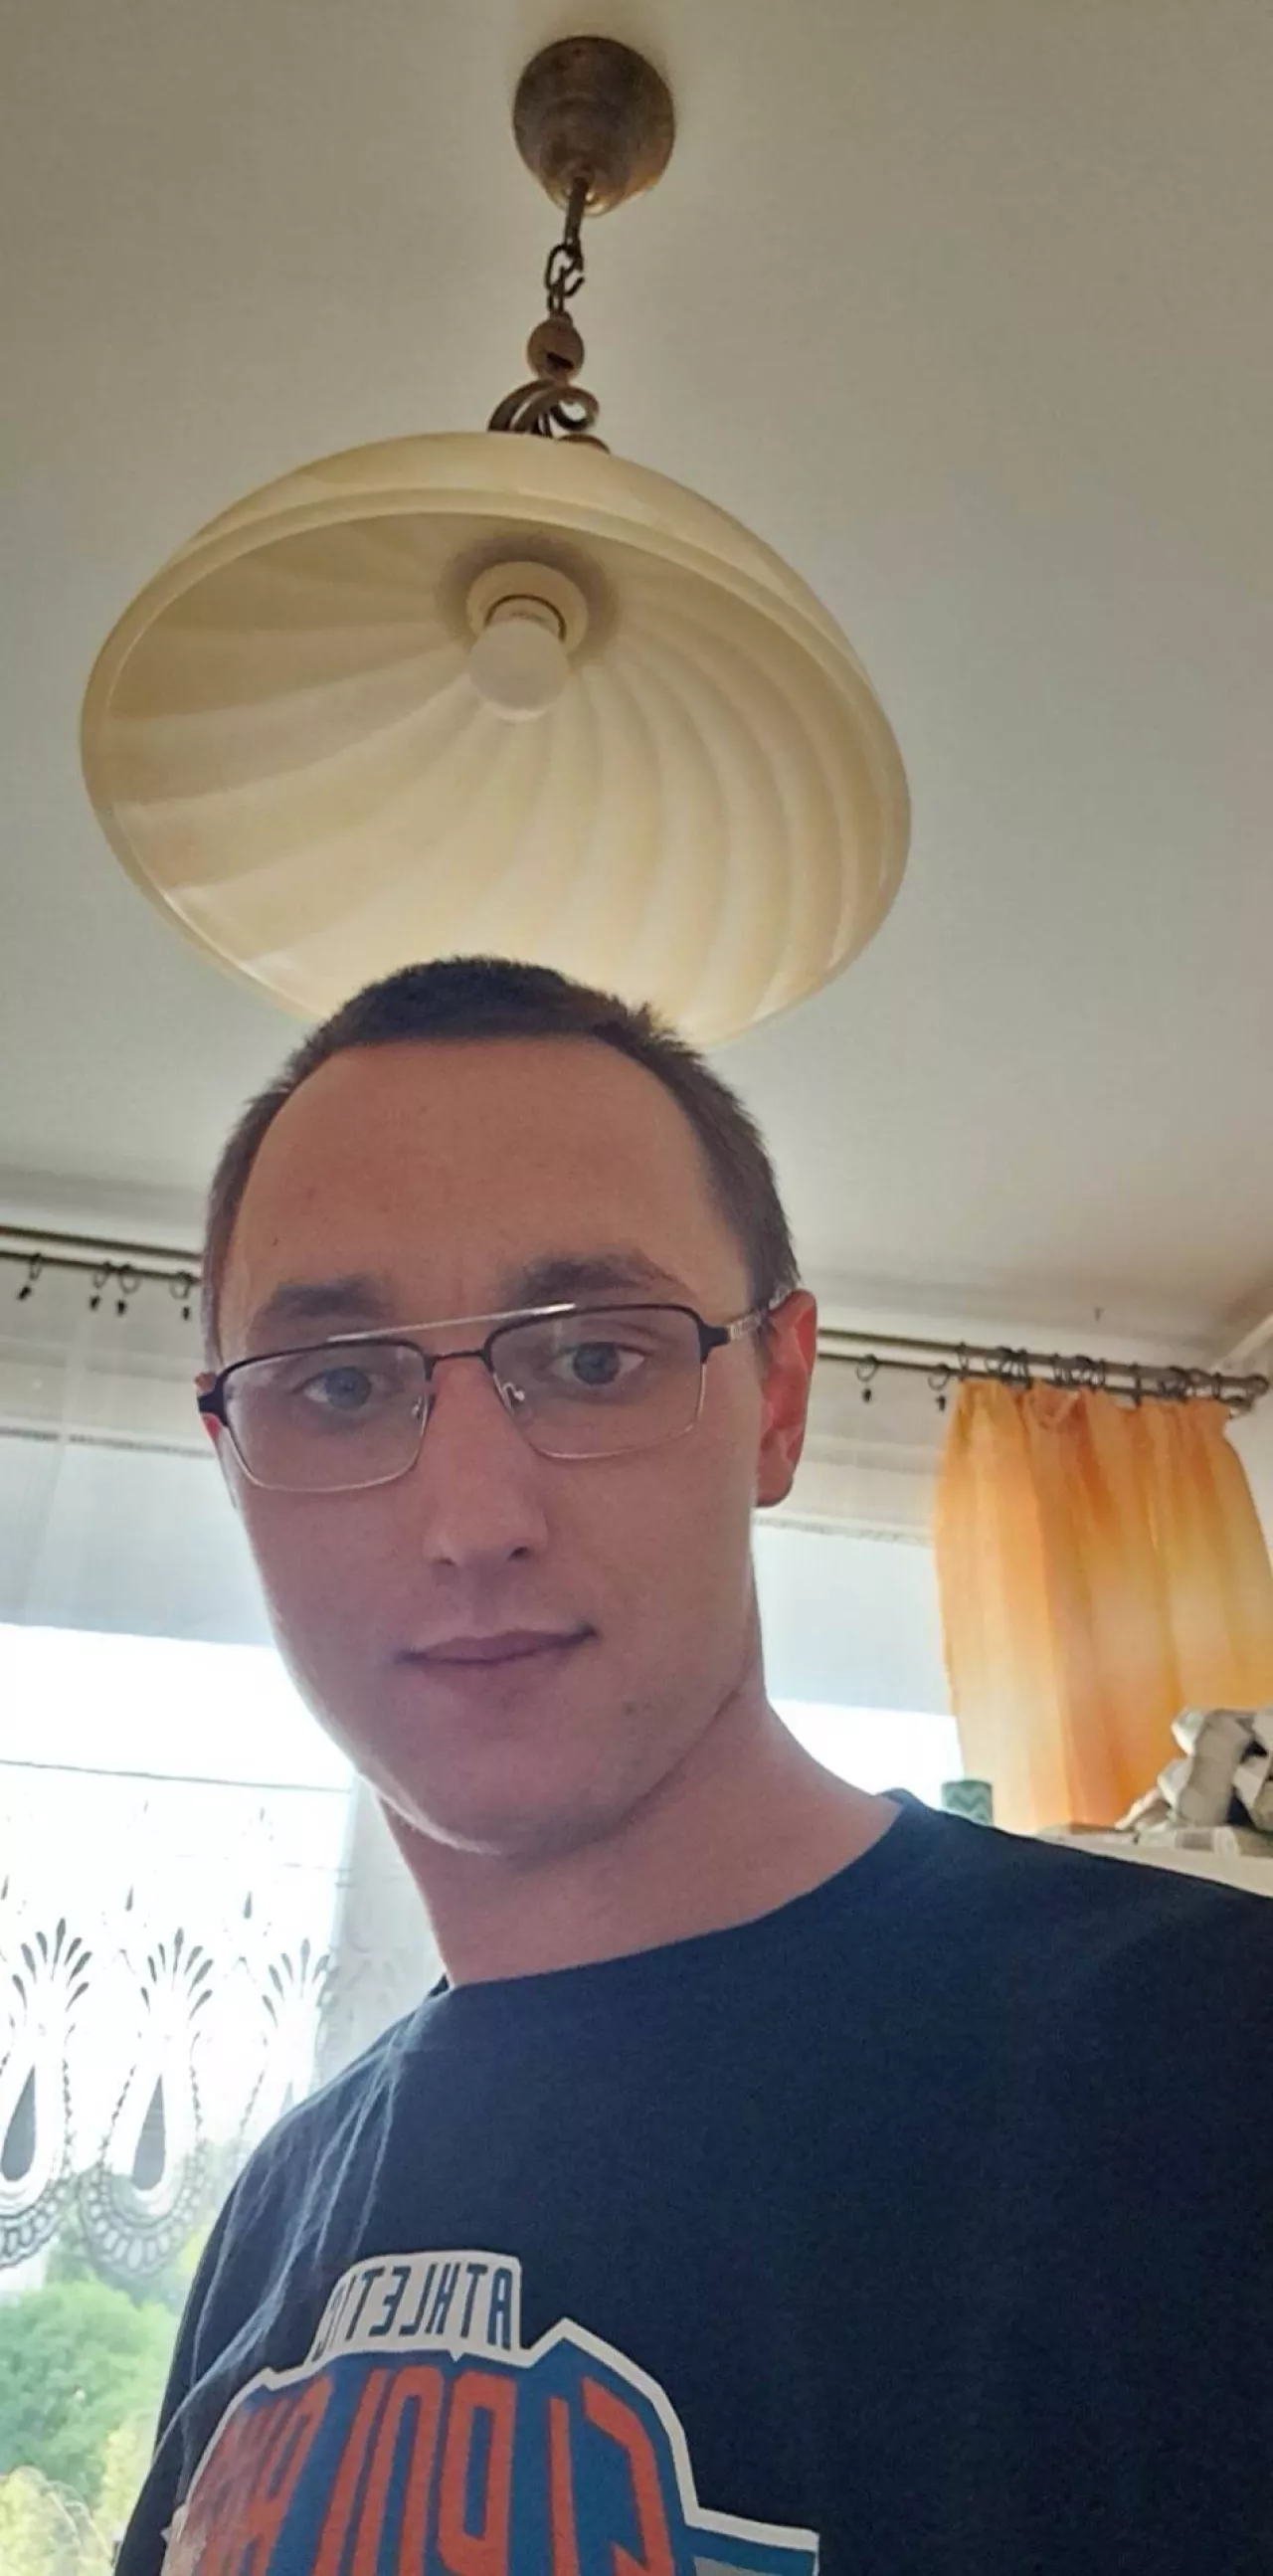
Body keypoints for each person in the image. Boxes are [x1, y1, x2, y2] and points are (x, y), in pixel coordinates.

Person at [116, 956, 1271, 2576]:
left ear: (777, 1399)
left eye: (595, 1356)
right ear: (235, 1460)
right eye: (342, 1384)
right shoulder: (275, 2207)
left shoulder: (1204, 2063)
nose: (473, 1520)